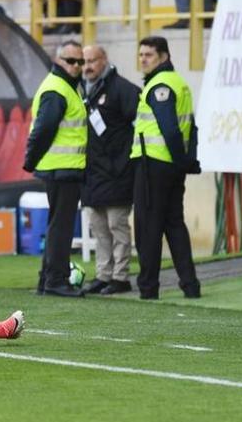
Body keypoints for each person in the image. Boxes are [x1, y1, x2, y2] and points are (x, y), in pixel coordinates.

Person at [131, 36, 201, 300]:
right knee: (174, 224)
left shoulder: (159, 86)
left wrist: (180, 160)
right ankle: (190, 285)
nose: (143, 60)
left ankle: (148, 288)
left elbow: (170, 129)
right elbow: (190, 127)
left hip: (154, 165)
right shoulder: (178, 83)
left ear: (164, 57)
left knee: (148, 228)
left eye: (148, 55)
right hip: (171, 165)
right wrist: (186, 161)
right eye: (141, 55)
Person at [23, 40, 87, 298]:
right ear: (58, 60)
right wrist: (31, 160)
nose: (77, 66)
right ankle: (56, 280)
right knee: (61, 227)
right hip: (61, 168)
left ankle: (47, 279)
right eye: (71, 61)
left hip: (62, 167)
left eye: (80, 62)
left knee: (57, 225)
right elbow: (44, 129)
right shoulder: (58, 89)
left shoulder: (63, 87)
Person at [79, 45, 139, 295]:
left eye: (92, 60)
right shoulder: (84, 91)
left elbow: (140, 123)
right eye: (84, 62)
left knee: (118, 226)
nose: (87, 66)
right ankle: (104, 275)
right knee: (100, 228)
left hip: (118, 171)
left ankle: (121, 276)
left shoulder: (122, 89)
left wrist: (126, 160)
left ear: (104, 60)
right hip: (93, 172)